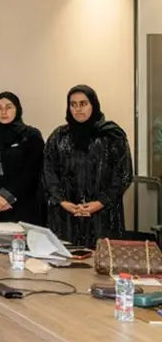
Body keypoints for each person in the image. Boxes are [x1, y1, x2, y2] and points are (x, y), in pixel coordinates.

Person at [43, 85, 133, 247]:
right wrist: (62, 201)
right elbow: (48, 172)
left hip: (103, 215)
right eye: (73, 104)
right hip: (66, 216)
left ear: (93, 104)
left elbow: (123, 175)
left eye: (83, 103)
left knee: (103, 265)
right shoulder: (58, 137)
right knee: (65, 266)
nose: (78, 109)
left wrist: (99, 203)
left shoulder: (112, 135)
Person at [0, 92, 45, 225]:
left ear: (17, 109)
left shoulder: (30, 136)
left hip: (22, 206)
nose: (4, 112)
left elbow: (32, 171)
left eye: (8, 107)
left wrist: (7, 196)